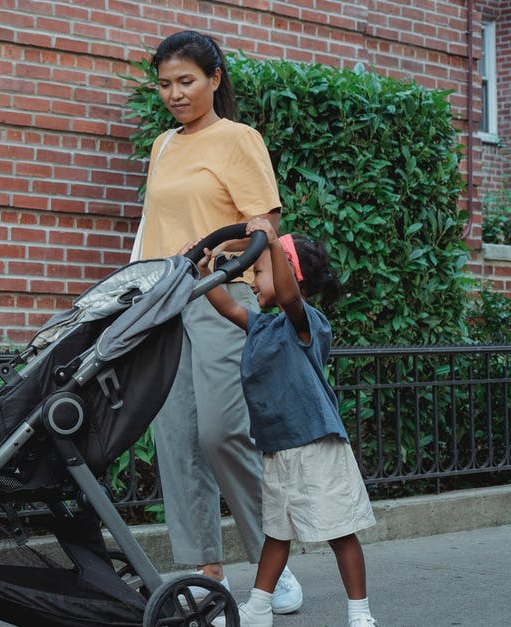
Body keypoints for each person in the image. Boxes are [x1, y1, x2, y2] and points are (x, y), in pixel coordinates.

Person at [134, 30, 302, 612]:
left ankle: (270, 564)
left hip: (220, 299)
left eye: (186, 81)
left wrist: (222, 259)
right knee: (176, 439)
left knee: (222, 430)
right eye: (164, 84)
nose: (175, 94)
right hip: (164, 303)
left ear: (214, 79)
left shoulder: (238, 139)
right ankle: (207, 573)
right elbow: (151, 230)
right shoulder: (161, 145)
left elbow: (264, 226)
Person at [191, 217, 377, 627]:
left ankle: (360, 613)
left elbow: (290, 296)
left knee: (340, 531)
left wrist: (272, 244)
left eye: (258, 273)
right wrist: (206, 274)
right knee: (275, 535)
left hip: (316, 444)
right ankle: (258, 608)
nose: (253, 282)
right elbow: (228, 307)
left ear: (287, 272)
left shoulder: (306, 323)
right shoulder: (262, 326)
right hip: (277, 447)